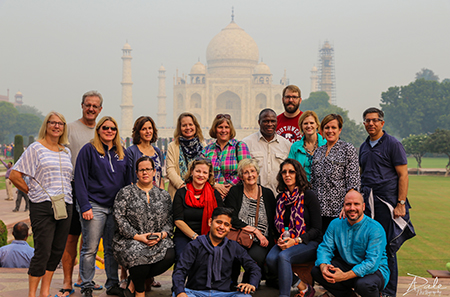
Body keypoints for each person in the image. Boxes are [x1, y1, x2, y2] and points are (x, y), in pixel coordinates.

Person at [9, 111, 74, 297]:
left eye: (60, 123)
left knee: (56, 251)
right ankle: (32, 294)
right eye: (52, 123)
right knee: (42, 252)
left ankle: (44, 292)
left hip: (64, 204)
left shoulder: (65, 151)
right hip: (43, 206)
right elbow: (15, 175)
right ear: (46, 125)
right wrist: (31, 192)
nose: (56, 126)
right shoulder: (36, 149)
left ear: (64, 128)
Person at [359, 107, 415, 297]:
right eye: (367, 120)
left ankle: (389, 292)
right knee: (371, 246)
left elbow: (403, 175)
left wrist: (400, 203)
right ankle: (373, 287)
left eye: (375, 120)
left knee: (388, 247)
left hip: (388, 203)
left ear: (382, 123)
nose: (371, 124)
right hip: (369, 203)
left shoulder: (392, 144)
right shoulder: (364, 146)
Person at [74, 116, 131, 297]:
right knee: (90, 248)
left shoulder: (121, 153)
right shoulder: (88, 150)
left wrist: (126, 209)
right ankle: (87, 285)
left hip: (115, 207)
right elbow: (80, 180)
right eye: (105, 128)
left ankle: (112, 284)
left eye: (113, 128)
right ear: (98, 130)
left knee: (111, 249)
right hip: (94, 205)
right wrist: (84, 206)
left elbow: (128, 182)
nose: (109, 131)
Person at [60, 90, 104, 297]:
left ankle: (83, 279)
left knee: (90, 241)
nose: (91, 109)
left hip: (93, 192)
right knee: (71, 238)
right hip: (72, 189)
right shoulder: (70, 129)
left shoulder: (103, 131)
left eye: (95, 106)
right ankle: (68, 281)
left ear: (100, 109)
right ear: (82, 105)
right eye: (88, 105)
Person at [113, 156, 175, 297]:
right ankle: (139, 292)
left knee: (170, 254)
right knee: (138, 252)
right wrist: (138, 236)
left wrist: (162, 235)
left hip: (157, 239)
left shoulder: (163, 195)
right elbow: (119, 218)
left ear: (154, 172)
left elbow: (170, 219)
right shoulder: (125, 193)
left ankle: (132, 283)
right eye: (141, 170)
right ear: (136, 173)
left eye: (148, 169)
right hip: (130, 239)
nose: (145, 173)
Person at [311, 191, 390, 297]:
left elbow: (372, 263)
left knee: (363, 284)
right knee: (317, 271)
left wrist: (344, 276)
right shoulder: (335, 224)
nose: (352, 208)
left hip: (374, 271)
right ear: (344, 206)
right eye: (348, 204)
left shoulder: (375, 229)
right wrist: (323, 266)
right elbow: (325, 248)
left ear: (363, 206)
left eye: (356, 204)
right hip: (347, 265)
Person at [172, 207, 261, 297]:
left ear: (230, 228)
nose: (222, 227)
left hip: (225, 294)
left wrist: (252, 284)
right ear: (210, 222)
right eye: (218, 222)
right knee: (178, 294)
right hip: (196, 293)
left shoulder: (233, 247)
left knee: (245, 296)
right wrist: (180, 292)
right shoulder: (194, 245)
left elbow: (254, 267)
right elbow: (180, 270)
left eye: (226, 224)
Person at [265, 159, 322, 297]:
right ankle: (303, 286)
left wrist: (296, 240)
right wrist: (280, 239)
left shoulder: (309, 195)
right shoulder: (280, 198)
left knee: (283, 256)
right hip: (287, 240)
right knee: (270, 259)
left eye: (291, 171)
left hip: (309, 242)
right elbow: (277, 226)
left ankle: (284, 295)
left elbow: (317, 229)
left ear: (298, 174)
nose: (287, 175)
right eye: (284, 172)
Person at [225, 158, 276, 284]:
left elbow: (273, 219)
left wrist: (263, 236)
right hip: (239, 236)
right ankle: (231, 282)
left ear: (257, 173)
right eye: (246, 172)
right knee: (234, 253)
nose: (250, 175)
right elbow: (231, 218)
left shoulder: (267, 194)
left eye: (252, 171)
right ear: (241, 176)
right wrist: (255, 230)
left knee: (255, 256)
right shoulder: (235, 191)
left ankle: (250, 283)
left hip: (261, 241)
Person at [310, 114, 360, 233]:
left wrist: (347, 206)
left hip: (339, 212)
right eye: (327, 128)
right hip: (319, 211)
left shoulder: (347, 149)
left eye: (333, 128)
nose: (330, 131)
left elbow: (353, 181)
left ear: (340, 130)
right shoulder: (318, 152)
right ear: (322, 131)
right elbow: (313, 181)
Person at [173, 157, 223, 262]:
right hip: (185, 236)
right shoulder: (181, 193)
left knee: (211, 256)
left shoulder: (215, 194)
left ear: (209, 175)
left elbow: (220, 219)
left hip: (209, 236)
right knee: (184, 256)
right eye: (198, 171)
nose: (201, 175)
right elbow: (178, 220)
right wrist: (195, 237)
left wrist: (208, 239)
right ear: (192, 172)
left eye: (205, 172)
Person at [242, 108, 291, 195]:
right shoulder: (246, 143)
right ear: (259, 122)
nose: (270, 124)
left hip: (279, 195)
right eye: (266, 121)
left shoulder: (286, 145)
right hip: (254, 197)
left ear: (277, 122)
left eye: (273, 121)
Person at [202, 114, 251, 199]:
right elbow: (200, 171)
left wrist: (229, 186)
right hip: (211, 196)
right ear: (215, 129)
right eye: (220, 127)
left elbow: (247, 170)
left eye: (226, 127)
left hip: (235, 195)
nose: (223, 130)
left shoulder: (239, 146)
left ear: (230, 129)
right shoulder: (207, 150)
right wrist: (214, 184)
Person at [167, 112, 205, 198]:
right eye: (184, 125)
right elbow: (170, 170)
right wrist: (183, 187)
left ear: (195, 126)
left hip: (200, 194)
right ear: (180, 128)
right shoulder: (173, 146)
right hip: (179, 193)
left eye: (190, 124)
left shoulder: (203, 146)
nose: (188, 128)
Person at [288, 110, 327, 181]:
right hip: (302, 188)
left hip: (323, 189)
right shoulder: (295, 147)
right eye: (305, 123)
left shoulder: (326, 144)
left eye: (312, 123)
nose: (309, 126)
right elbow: (290, 170)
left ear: (317, 125)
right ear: (301, 126)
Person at [127, 116, 164, 188]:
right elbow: (129, 178)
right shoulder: (132, 151)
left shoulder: (157, 151)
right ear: (138, 132)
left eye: (150, 128)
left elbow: (160, 176)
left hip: (157, 195)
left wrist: (163, 195)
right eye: (144, 129)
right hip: (139, 194)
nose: (148, 132)